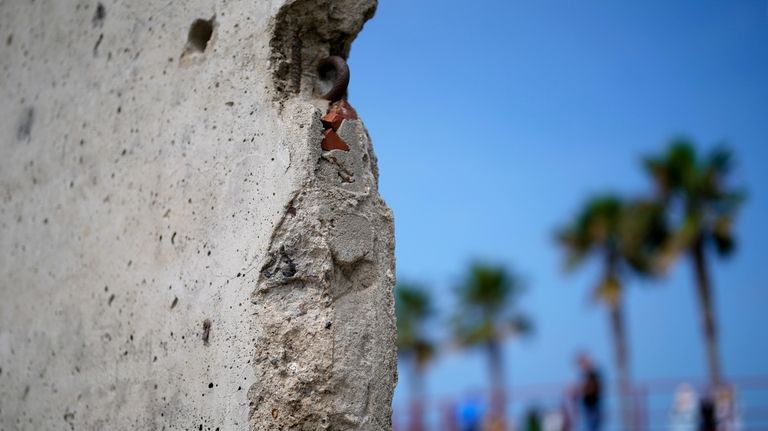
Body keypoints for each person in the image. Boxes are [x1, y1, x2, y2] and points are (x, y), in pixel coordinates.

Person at [575, 354, 603, 431]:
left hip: (593, 406)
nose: (581, 367)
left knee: (592, 427)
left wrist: (582, 389)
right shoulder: (587, 375)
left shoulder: (593, 375)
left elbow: (595, 388)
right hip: (589, 407)